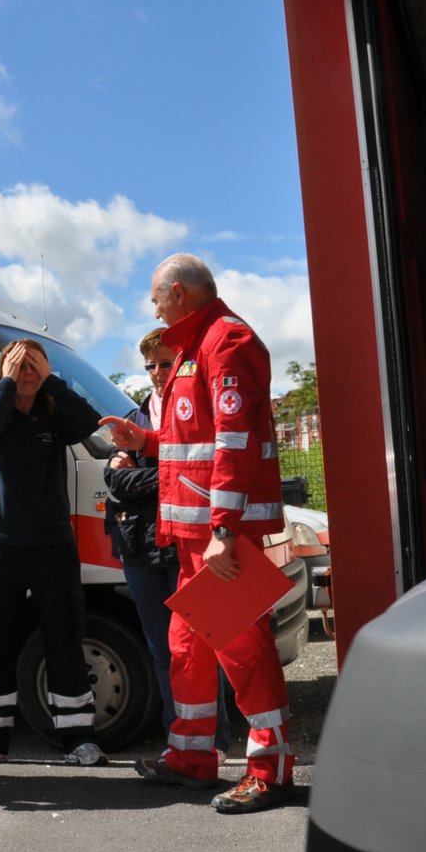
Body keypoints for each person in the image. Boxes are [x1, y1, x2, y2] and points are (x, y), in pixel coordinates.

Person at [101, 254, 296, 814]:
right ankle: (189, 757)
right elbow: (195, 446)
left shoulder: (227, 341)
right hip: (194, 536)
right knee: (187, 647)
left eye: (156, 297)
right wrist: (146, 442)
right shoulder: (194, 347)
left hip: (216, 534)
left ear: (179, 293)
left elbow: (233, 443)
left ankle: (271, 767)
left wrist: (225, 528)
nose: (154, 307)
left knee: (243, 648)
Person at [0, 338, 109, 768]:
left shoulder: (54, 415)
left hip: (53, 548)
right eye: (19, 364)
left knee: (64, 639)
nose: (27, 371)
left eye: (34, 365)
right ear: (4, 369)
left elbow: (89, 420)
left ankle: (79, 740)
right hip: (0, 549)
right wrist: (7, 384)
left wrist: (53, 381)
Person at [103, 328, 231, 755]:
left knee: (203, 646)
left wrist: (147, 472)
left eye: (165, 363)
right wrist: (171, 477)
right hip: (139, 549)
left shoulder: (196, 412)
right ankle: (178, 739)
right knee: (163, 651)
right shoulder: (135, 419)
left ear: (182, 365)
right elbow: (115, 482)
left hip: (187, 548)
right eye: (151, 366)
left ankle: (213, 741)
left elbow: (207, 474)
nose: (158, 373)